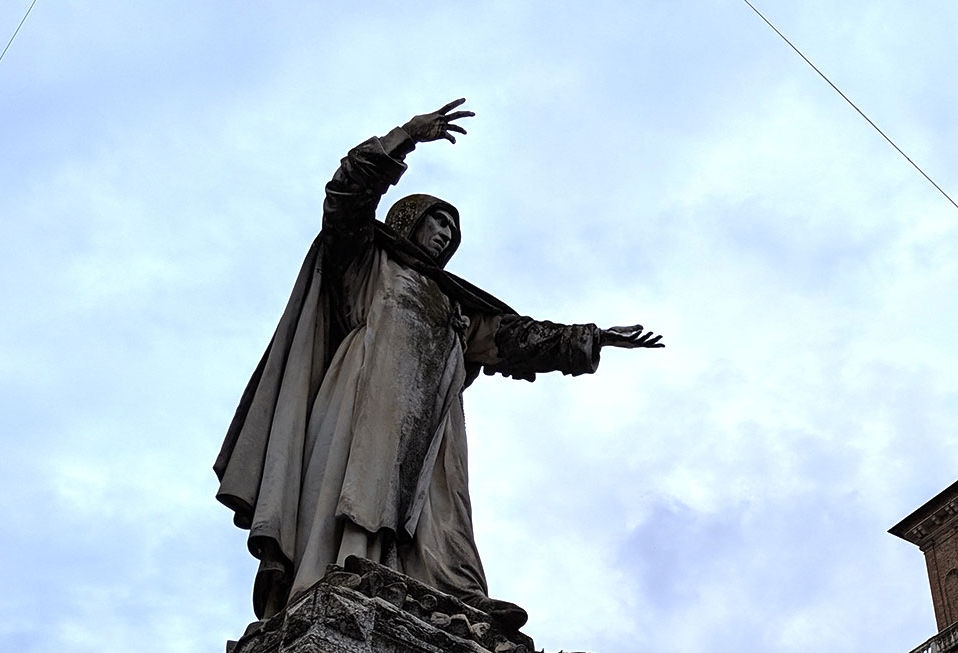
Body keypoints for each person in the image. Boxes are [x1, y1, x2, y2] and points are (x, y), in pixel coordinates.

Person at [214, 100, 661, 623]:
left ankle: (448, 593)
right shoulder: (367, 262)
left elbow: (516, 339)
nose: (447, 234)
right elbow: (346, 200)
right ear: (408, 221)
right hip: (366, 397)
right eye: (437, 221)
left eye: (453, 229)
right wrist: (404, 137)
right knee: (365, 483)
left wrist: (595, 338)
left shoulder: (454, 304)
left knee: (443, 506)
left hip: (436, 420)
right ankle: (349, 567)